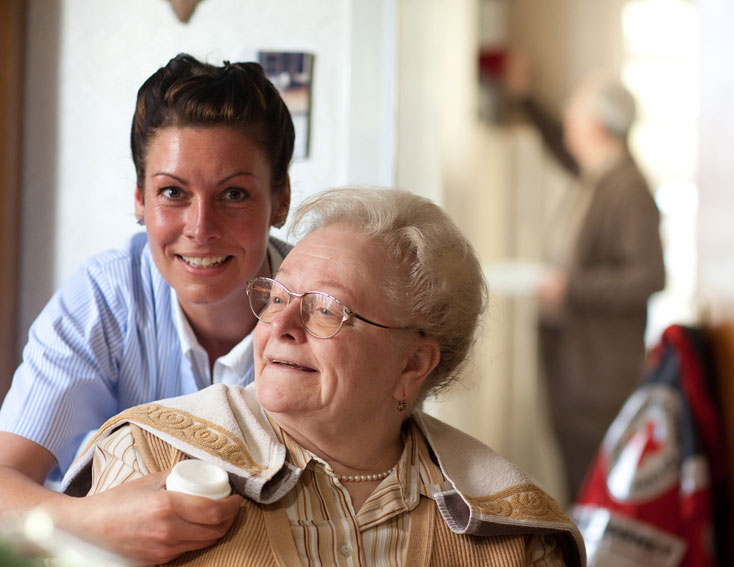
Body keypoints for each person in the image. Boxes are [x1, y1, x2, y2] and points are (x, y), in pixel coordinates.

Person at [64, 187, 587, 566]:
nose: (281, 326)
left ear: (413, 365)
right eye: (278, 296)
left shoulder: (512, 535)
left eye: (327, 309)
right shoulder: (147, 459)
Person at [0, 53, 295, 564]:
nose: (200, 228)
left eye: (234, 193)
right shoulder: (104, 297)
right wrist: (94, 522)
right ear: (140, 198)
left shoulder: (326, 311)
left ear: (281, 199)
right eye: (173, 192)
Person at [507, 64, 666, 501]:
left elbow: (649, 276)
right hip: (576, 366)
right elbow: (558, 143)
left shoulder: (627, 188)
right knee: (578, 478)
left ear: (597, 124)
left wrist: (570, 288)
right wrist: (525, 98)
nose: (568, 122)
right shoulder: (597, 177)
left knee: (594, 485)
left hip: (598, 376)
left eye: (573, 112)